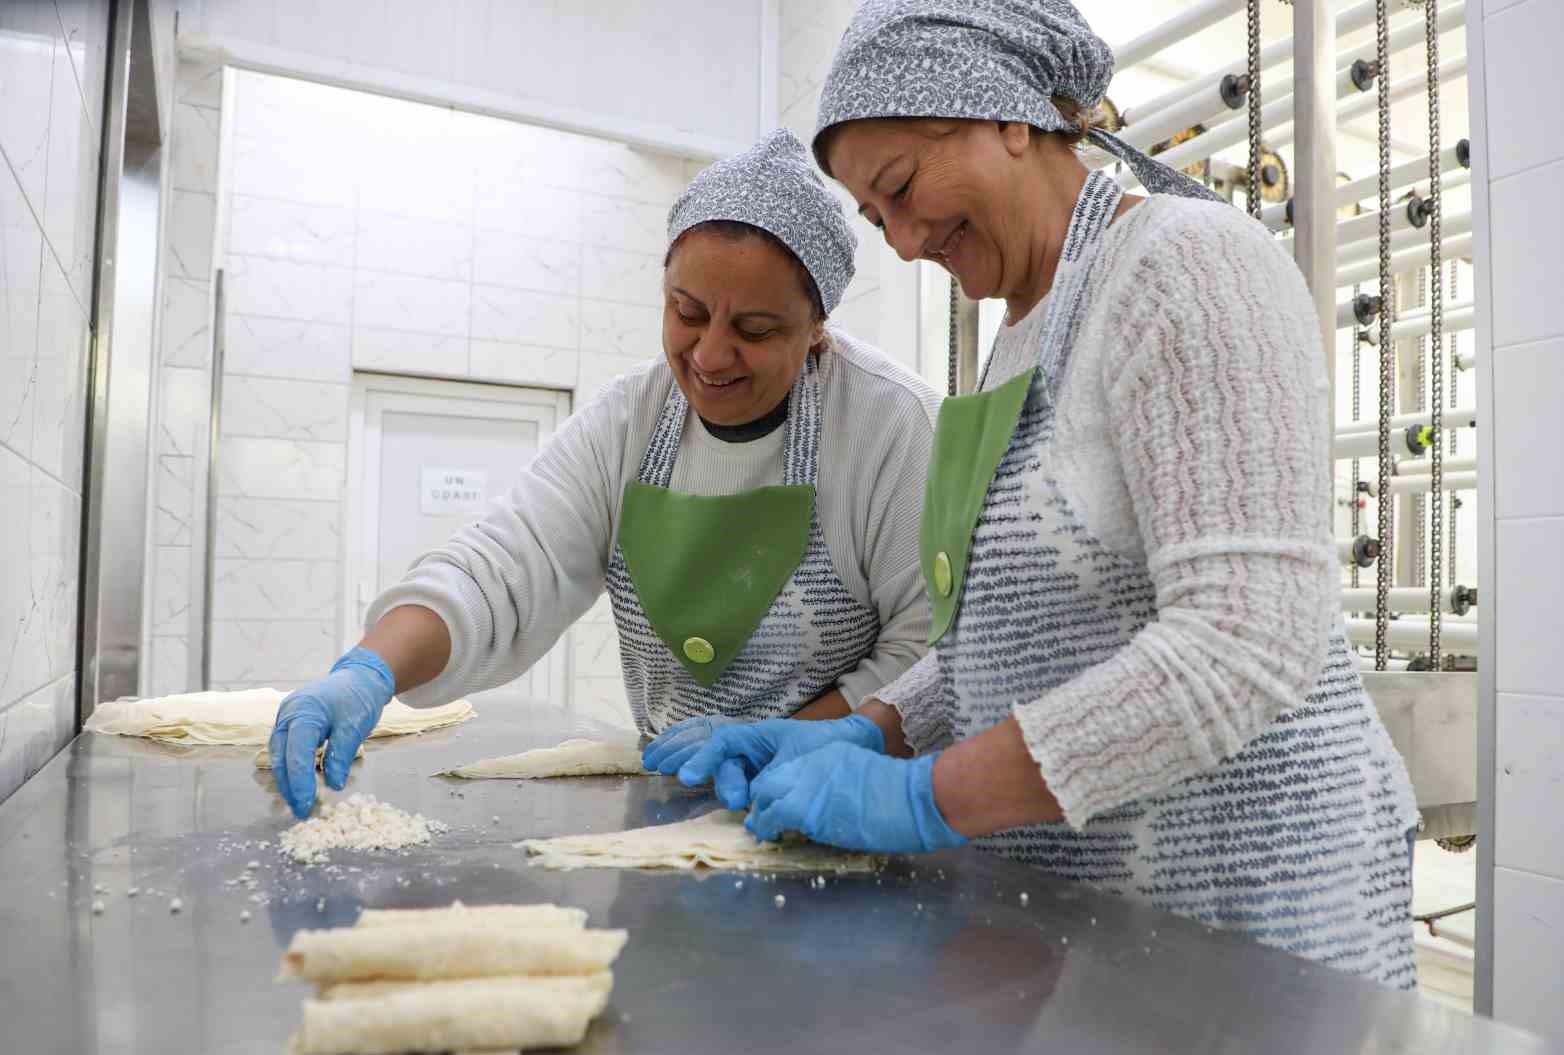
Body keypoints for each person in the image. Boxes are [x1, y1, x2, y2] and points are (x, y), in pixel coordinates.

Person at [667, 0, 1419, 988]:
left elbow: (1244, 642)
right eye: (876, 218)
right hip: (1101, 930)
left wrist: (927, 795)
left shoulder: (1184, 264)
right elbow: (1009, 640)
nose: (904, 241)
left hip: (1255, 923)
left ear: (1005, 115)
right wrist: (871, 727)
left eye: (901, 187)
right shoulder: (1019, 336)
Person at [267, 130, 939, 821]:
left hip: (850, 808)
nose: (711, 355)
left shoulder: (891, 426)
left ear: (817, 325)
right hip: (673, 805)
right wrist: (370, 669)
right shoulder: (630, 421)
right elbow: (501, 568)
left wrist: (793, 743)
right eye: (687, 312)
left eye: (757, 330)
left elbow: (930, 649)